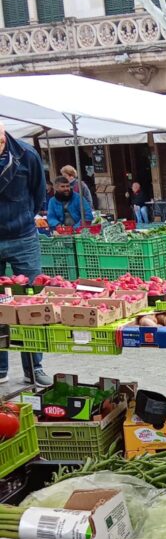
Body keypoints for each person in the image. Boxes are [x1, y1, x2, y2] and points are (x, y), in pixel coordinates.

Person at [0, 122, 51, 387]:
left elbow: (39, 191)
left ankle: (34, 367)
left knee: (31, 304)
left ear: (3, 136)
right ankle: (0, 369)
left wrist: (27, 216)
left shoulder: (25, 154)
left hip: (22, 236)